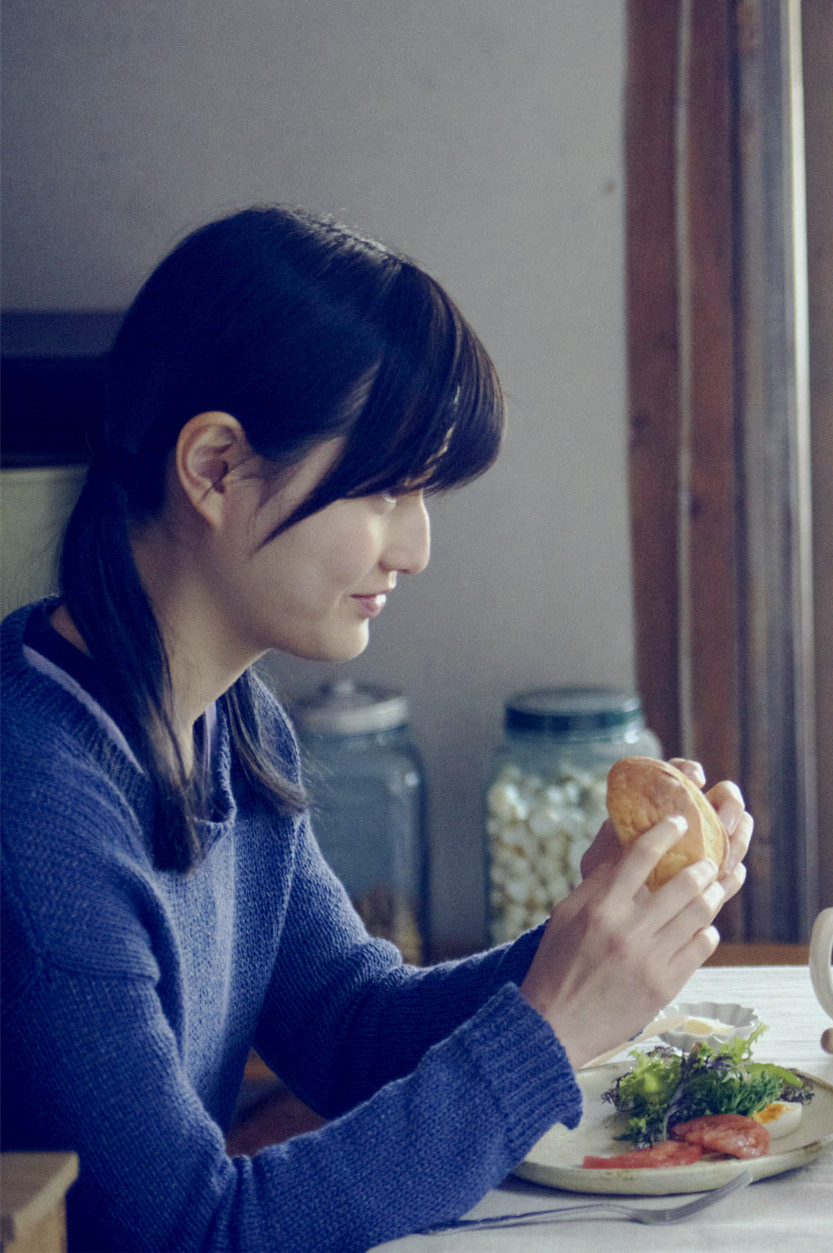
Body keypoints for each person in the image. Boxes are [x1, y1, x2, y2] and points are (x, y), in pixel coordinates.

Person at [0, 205, 754, 1251]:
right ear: (215, 466)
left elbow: (351, 1026)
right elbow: (192, 1231)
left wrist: (589, 937)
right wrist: (552, 1024)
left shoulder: (231, 717)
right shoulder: (36, 798)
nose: (417, 547)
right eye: (389, 489)